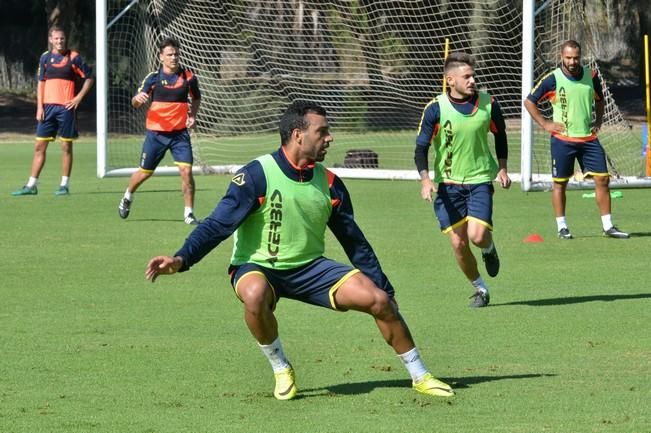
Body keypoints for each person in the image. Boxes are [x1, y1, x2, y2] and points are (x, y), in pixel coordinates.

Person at [145, 101, 454, 400]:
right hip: (257, 267)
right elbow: (217, 225)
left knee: (378, 300)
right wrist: (181, 258)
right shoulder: (256, 175)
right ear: (298, 135)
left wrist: (385, 287)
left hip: (310, 268)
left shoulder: (331, 184)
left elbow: (354, 243)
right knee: (253, 294)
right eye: (322, 132)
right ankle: (281, 367)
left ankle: (420, 375)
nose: (329, 138)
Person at [415, 52, 511, 308]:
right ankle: (480, 289)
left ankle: (489, 249)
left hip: (479, 180)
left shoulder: (489, 104)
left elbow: (500, 136)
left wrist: (502, 168)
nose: (472, 80)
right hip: (448, 186)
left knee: (478, 237)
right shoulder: (435, 108)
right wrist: (425, 180)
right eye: (466, 76)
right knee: (458, 243)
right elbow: (421, 148)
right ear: (450, 80)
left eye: (473, 75)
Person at [524, 40, 628, 240]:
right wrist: (545, 124)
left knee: (603, 179)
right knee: (560, 183)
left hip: (588, 139)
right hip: (563, 139)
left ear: (581, 57)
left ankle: (608, 226)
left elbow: (599, 100)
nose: (572, 61)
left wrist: (598, 120)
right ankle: (562, 227)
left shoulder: (592, 75)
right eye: (568, 57)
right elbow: (529, 102)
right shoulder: (552, 79)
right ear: (561, 57)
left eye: (576, 58)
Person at [118, 37, 201, 224]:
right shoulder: (153, 79)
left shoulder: (188, 77)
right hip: (156, 135)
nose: (174, 57)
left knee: (187, 172)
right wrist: (137, 100)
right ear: (161, 57)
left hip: (179, 135)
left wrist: (192, 115)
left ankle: (189, 213)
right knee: (145, 173)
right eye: (170, 54)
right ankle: (127, 196)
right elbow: (136, 102)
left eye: (176, 54)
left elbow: (196, 98)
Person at [11, 26, 94, 197]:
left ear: (65, 39)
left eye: (62, 38)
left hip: (66, 108)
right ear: (50, 40)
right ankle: (31, 185)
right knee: (39, 146)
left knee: (66, 146)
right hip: (47, 109)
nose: (59, 41)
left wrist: (78, 98)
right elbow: (41, 83)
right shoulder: (45, 58)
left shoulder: (74, 57)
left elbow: (89, 78)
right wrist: (39, 106)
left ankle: (64, 185)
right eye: (56, 39)